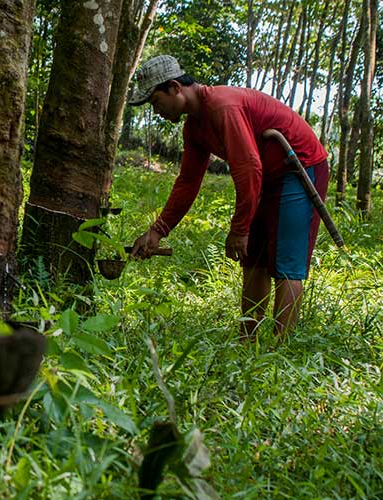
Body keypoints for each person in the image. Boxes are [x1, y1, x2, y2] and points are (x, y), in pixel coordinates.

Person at [127, 55, 329, 338]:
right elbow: (188, 181)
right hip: (264, 178)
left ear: (174, 87)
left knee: (286, 264)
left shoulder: (223, 106)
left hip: (299, 167)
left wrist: (239, 228)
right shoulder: (193, 127)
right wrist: (158, 230)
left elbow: (248, 166)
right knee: (254, 259)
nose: (156, 110)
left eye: (155, 101)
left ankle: (279, 349)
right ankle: (249, 341)